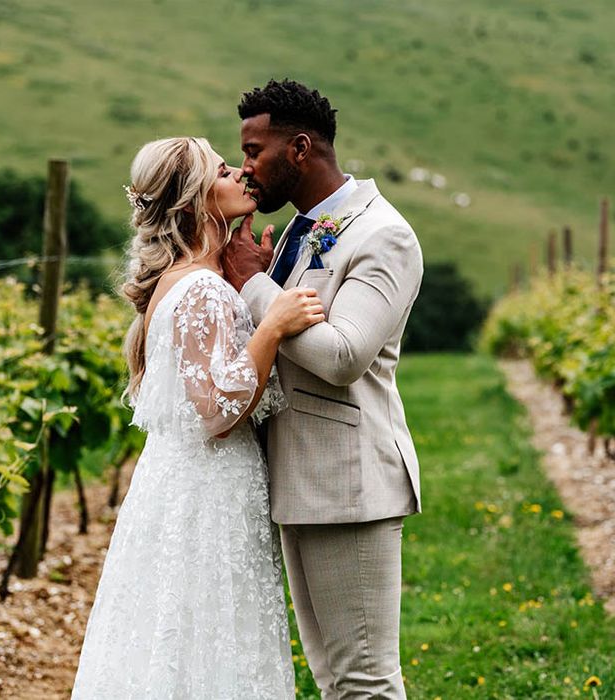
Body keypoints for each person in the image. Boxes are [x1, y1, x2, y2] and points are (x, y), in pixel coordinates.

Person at [71, 136, 324, 699]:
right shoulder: (201, 289)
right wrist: (272, 325)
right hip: (208, 489)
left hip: (183, 480)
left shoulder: (191, 279)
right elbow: (217, 411)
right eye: (223, 170)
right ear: (193, 200)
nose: (241, 175)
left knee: (185, 634)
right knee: (209, 633)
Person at [221, 79, 424, 699]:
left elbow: (343, 356)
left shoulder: (382, 235)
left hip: (349, 484)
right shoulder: (295, 232)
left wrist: (255, 288)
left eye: (255, 151)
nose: (247, 168)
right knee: (334, 678)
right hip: (299, 480)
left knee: (364, 681)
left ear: (301, 148)